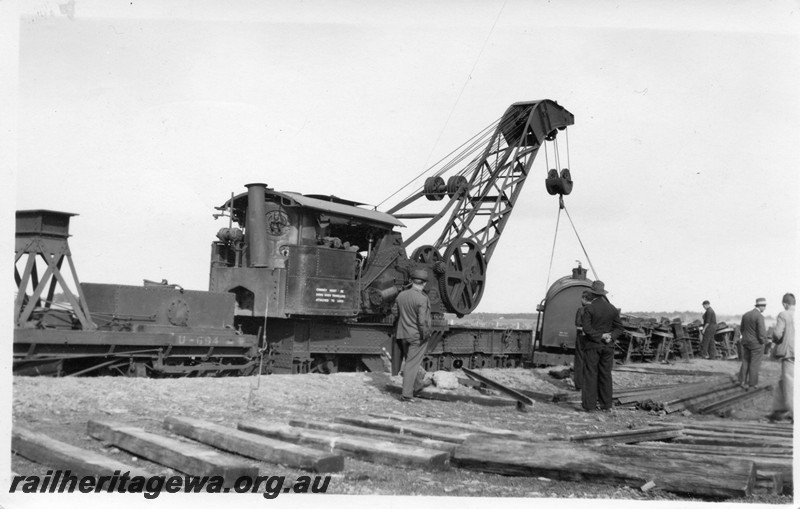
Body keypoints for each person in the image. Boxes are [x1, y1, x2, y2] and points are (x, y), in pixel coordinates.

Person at [580, 281, 624, 412]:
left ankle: (590, 406)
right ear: (603, 294)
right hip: (608, 347)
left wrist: (600, 336)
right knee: (605, 374)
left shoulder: (589, 308)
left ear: (592, 294)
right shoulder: (612, 308)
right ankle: (606, 405)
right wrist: (611, 337)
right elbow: (619, 328)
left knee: (590, 374)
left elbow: (587, 329)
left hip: (593, 346)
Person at [392, 268, 433, 402]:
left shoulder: (401, 295)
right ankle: (407, 395)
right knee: (411, 364)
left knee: (410, 361)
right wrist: (426, 335)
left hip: (402, 334)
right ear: (424, 283)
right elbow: (422, 321)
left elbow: (395, 313)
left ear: (412, 281)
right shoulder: (422, 298)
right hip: (416, 336)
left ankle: (418, 384)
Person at [767, 293, 795, 422]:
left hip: (790, 354)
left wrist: (775, 341)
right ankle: (779, 410)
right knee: (782, 381)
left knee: (789, 383)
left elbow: (777, 334)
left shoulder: (784, 314)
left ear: (785, 304)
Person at [739, 298, 768, 389]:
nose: (765, 308)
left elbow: (741, 329)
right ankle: (753, 383)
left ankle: (742, 381)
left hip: (746, 342)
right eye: (765, 306)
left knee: (745, 361)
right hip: (756, 344)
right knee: (754, 363)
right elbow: (762, 332)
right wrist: (763, 342)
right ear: (761, 306)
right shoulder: (759, 316)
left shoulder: (746, 315)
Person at [572, 291, 593, 391]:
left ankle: (579, 385)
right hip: (593, 338)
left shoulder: (580, 310)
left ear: (584, 299)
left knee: (580, 360)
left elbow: (577, 325)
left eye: (582, 298)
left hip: (581, 338)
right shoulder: (595, 310)